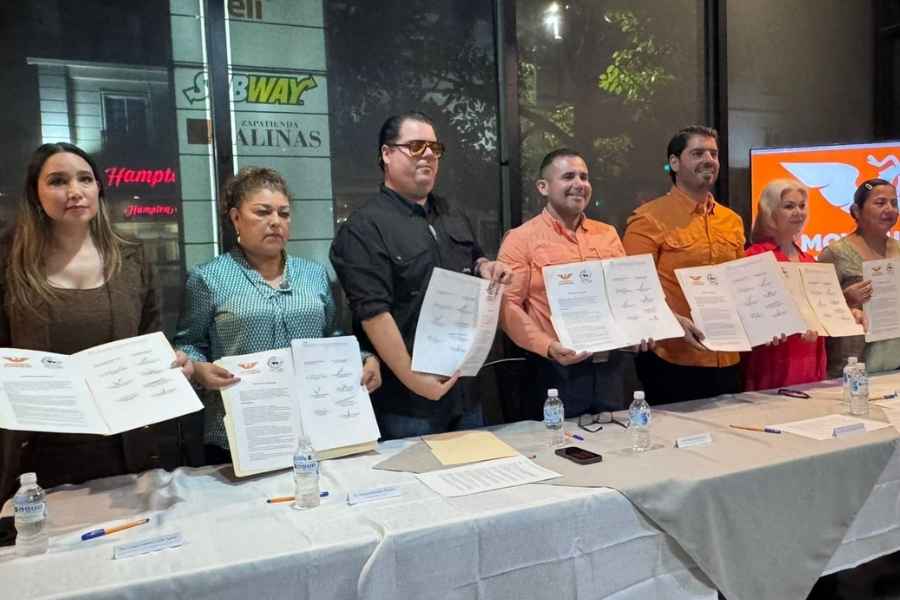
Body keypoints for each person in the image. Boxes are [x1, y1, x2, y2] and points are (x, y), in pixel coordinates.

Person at [0, 143, 192, 502]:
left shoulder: (132, 258)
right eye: (58, 181)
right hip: (38, 453)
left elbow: (149, 340)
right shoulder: (8, 263)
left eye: (85, 179)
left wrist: (170, 365)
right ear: (34, 193)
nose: (75, 191)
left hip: (124, 448)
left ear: (99, 188)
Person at [175, 167, 381, 464]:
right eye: (262, 212)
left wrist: (363, 358)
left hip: (316, 427)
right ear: (235, 218)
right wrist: (199, 370)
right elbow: (188, 344)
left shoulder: (314, 274)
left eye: (284, 214)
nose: (275, 222)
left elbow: (333, 337)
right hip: (240, 433)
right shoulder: (208, 278)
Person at [330, 111, 510, 439]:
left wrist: (487, 266)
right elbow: (373, 313)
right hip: (408, 402)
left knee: (476, 484)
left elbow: (473, 258)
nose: (428, 154)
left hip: (466, 390)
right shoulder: (364, 228)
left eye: (434, 148)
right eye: (415, 146)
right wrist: (415, 382)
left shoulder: (452, 214)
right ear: (387, 154)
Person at [498, 148, 650, 419]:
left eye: (584, 177)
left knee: (615, 450)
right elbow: (507, 306)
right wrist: (546, 346)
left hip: (612, 370)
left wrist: (642, 326)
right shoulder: (520, 239)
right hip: (554, 371)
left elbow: (624, 294)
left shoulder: (608, 235)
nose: (579, 184)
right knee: (556, 452)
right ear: (543, 187)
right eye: (569, 176)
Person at [622, 125, 746, 404]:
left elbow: (741, 283)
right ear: (674, 163)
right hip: (673, 360)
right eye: (698, 153)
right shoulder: (648, 219)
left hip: (729, 356)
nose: (709, 160)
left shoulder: (732, 221)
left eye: (713, 154)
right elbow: (634, 290)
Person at [742, 179, 826, 390]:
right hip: (773, 359)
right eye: (789, 206)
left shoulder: (810, 261)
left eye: (801, 206)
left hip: (809, 357)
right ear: (770, 212)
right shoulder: (754, 257)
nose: (798, 212)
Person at [818, 178, 900, 377]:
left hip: (895, 365)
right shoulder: (835, 253)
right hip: (851, 370)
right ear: (856, 211)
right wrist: (846, 300)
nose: (889, 209)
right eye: (880, 203)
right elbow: (818, 312)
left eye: (894, 203)